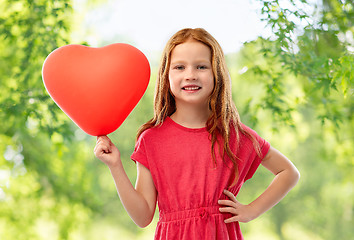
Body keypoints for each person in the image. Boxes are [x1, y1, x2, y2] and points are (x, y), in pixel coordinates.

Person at [94, 28, 300, 240]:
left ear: (216, 73)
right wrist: (115, 166)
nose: (190, 75)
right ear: (166, 75)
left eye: (201, 66)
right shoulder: (151, 139)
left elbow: (288, 172)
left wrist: (252, 210)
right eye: (179, 67)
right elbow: (143, 216)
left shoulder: (234, 135)